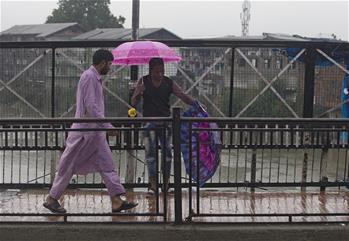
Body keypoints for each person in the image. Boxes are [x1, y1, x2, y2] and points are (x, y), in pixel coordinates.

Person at [43, 49, 138, 213]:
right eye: (109, 64)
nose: (110, 68)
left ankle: (116, 200)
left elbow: (93, 107)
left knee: (107, 165)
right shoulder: (89, 77)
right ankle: (52, 198)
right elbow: (91, 106)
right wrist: (107, 126)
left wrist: (103, 127)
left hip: (94, 134)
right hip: (85, 133)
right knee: (69, 165)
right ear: (102, 63)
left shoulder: (94, 78)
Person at [131, 57, 196, 194]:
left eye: (162, 71)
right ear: (150, 70)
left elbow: (182, 95)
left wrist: (196, 104)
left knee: (167, 154)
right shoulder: (143, 81)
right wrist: (138, 93)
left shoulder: (168, 82)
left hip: (166, 123)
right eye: (156, 72)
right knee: (150, 154)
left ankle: (165, 184)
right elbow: (133, 103)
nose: (159, 74)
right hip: (149, 123)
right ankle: (153, 185)